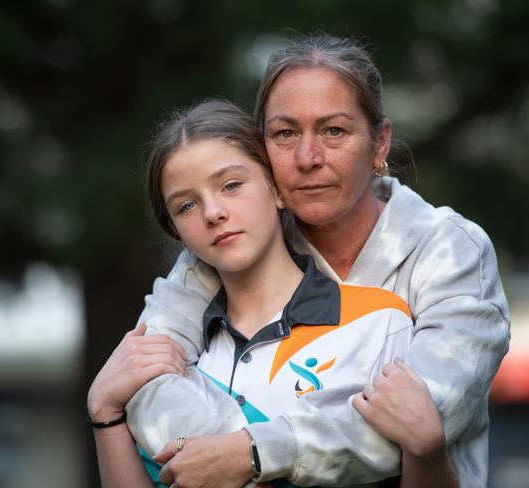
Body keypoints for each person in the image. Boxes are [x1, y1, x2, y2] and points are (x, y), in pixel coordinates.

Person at [123, 33, 510, 487]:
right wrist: (228, 452)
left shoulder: (449, 250)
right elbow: (146, 377)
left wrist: (252, 452)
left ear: (380, 143)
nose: (308, 158)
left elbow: (423, 419)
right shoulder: (239, 240)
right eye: (285, 133)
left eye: (334, 131)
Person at [88, 99, 456, 488]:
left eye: (231, 185)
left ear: (277, 190)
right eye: (187, 205)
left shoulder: (379, 322)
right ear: (176, 230)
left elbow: (416, 457)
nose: (212, 212)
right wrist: (105, 414)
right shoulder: (174, 360)